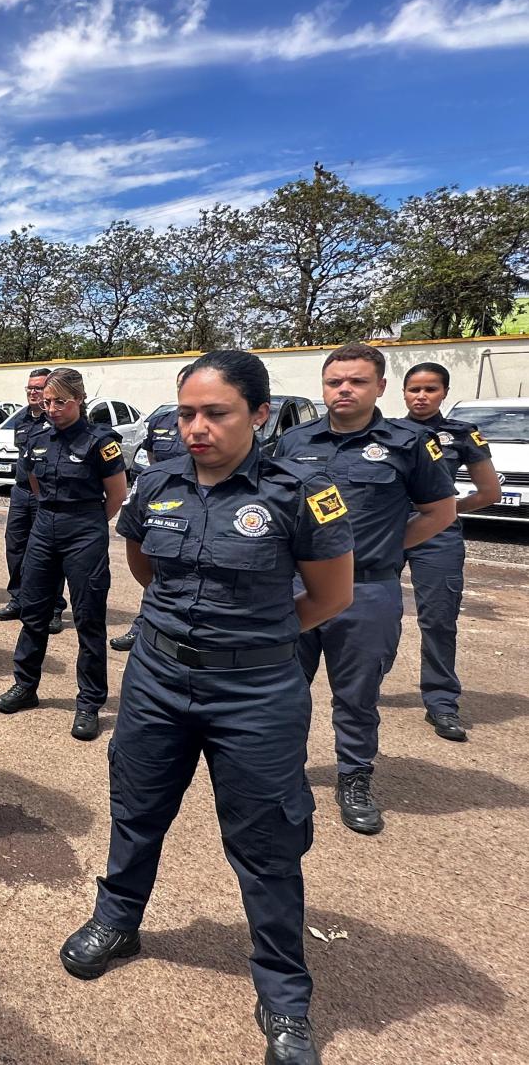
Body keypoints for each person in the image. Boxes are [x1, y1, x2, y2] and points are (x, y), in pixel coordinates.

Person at [60, 350, 354, 1065]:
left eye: (215, 413)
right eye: (186, 411)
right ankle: (118, 917)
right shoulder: (156, 480)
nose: (196, 426)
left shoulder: (303, 491)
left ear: (257, 413)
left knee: (267, 839)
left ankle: (284, 993)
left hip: (255, 691)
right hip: (158, 679)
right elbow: (143, 562)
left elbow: (331, 595)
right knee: (137, 805)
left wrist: (247, 642)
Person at [277, 342, 456, 835]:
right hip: (298, 586)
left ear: (379, 386)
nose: (344, 390)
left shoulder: (407, 443)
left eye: (356, 381)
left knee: (356, 694)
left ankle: (354, 776)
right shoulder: (295, 442)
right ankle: (280, 772)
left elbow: (440, 513)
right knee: (282, 686)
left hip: (367, 591)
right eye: (335, 382)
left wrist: (383, 549)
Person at [0, 368, 127, 742]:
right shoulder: (37, 436)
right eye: (47, 401)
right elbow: (33, 483)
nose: (51, 408)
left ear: (79, 400)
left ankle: (88, 702)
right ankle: (25, 685)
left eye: (60, 402)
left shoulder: (101, 441)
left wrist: (89, 525)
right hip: (44, 526)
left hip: (85, 529)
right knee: (33, 611)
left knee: (88, 619)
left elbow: (116, 493)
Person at [399, 362, 499, 743]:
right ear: (403, 392)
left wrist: (441, 512)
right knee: (376, 613)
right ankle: (363, 688)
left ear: (444, 393)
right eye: (414, 389)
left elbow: (488, 492)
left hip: (438, 536)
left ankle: (441, 703)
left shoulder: (462, 434)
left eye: (430, 389)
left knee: (438, 619)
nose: (421, 396)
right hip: (388, 533)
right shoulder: (387, 432)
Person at [112, 366, 193, 652]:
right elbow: (151, 454)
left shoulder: (203, 423)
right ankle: (143, 625)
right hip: (162, 503)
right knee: (155, 567)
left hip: (195, 500)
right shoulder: (161, 421)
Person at [0, 370, 49, 622]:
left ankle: (52, 607)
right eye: (29, 388)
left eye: (38, 388)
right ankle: (18, 598)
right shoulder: (23, 419)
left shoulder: (55, 420)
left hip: (47, 494)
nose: (32, 392)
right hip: (21, 492)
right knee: (15, 546)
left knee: (48, 551)